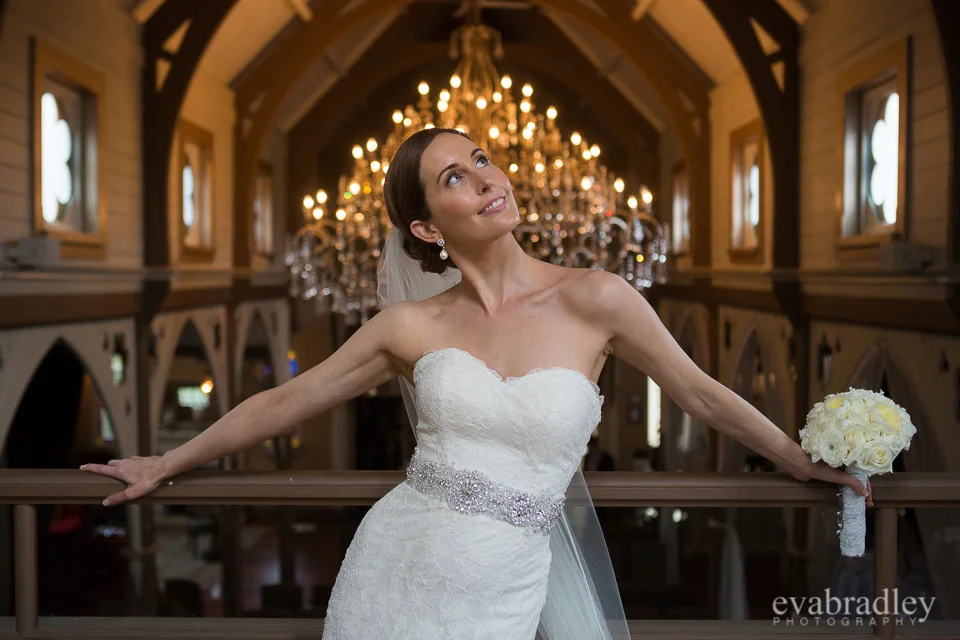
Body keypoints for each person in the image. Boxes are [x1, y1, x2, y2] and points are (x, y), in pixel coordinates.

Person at [81, 128, 873, 639]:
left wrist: (796, 459)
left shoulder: (597, 298)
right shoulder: (409, 329)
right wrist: (166, 463)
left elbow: (700, 393)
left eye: (483, 158)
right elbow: (286, 400)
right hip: (392, 566)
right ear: (427, 227)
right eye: (455, 177)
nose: (487, 178)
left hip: (502, 585)